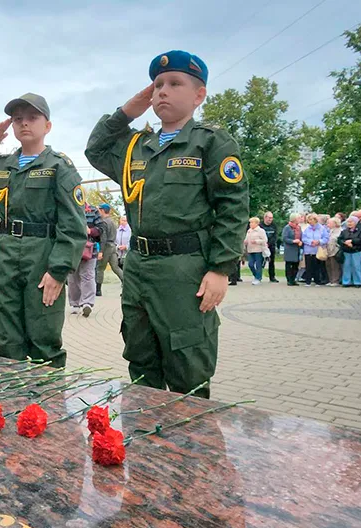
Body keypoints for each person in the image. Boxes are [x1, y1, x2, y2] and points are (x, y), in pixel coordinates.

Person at [86, 50, 248, 398]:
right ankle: (146, 444)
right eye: (158, 84)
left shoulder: (210, 141)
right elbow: (96, 149)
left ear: (199, 95)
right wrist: (128, 110)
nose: (162, 91)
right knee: (141, 361)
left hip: (184, 270)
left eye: (175, 83)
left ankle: (194, 448)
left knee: (188, 366)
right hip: (139, 269)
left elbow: (233, 207)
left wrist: (220, 268)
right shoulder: (135, 147)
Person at [0, 93, 86, 367]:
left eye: (32, 118)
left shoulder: (59, 167)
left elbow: (73, 224)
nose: (24, 124)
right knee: (7, 339)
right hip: (6, 251)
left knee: (44, 337)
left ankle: (47, 406)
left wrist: (59, 270)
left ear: (47, 125)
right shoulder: (1, 167)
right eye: (18, 119)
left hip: (42, 254)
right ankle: (13, 406)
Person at [68, 213, 99, 316]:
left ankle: (87, 303)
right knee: (72, 277)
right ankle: (75, 304)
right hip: (72, 249)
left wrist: (90, 231)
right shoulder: (69, 207)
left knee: (88, 276)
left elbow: (101, 230)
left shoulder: (94, 212)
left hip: (90, 250)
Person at [95, 203, 123, 296]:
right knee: (115, 268)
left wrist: (100, 251)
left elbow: (103, 238)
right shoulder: (112, 222)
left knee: (100, 268)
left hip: (106, 246)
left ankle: (98, 290)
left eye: (99, 210)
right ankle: (127, 284)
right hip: (113, 246)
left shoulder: (103, 222)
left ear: (102, 210)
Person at [301, 213, 329, 286]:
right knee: (308, 266)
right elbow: (303, 238)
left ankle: (317, 281)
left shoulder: (322, 229)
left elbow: (326, 238)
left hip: (318, 250)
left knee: (317, 266)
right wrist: (310, 242)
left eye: (310, 220)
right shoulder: (307, 229)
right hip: (308, 250)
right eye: (308, 220)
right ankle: (308, 281)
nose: (309, 221)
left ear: (315, 220)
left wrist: (319, 241)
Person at [338, 216, 361, 287]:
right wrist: (345, 242)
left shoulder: (360, 231)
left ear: (355, 222)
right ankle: (346, 282)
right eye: (348, 222)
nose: (349, 223)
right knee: (346, 267)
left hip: (356, 251)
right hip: (346, 251)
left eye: (351, 222)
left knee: (356, 267)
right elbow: (339, 240)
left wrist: (352, 241)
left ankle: (357, 282)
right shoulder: (344, 231)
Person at [243, 217, 268, 285]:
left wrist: (256, 241)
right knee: (250, 264)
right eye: (250, 222)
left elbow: (265, 240)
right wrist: (244, 242)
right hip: (250, 250)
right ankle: (256, 275)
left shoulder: (261, 231)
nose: (250, 224)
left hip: (258, 250)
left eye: (252, 222)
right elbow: (246, 239)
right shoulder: (249, 231)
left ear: (256, 223)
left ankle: (258, 278)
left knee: (258, 265)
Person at [282, 213, 302, 286]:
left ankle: (293, 279)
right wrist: (293, 241)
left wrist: (300, 241)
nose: (300, 220)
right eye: (298, 218)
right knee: (289, 265)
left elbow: (301, 236)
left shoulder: (299, 228)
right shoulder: (287, 227)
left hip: (297, 249)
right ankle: (289, 280)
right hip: (289, 249)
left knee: (296, 265)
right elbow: (284, 238)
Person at [261, 211, 279, 282]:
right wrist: (264, 243)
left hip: (271, 246)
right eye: (269, 218)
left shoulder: (274, 226)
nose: (270, 219)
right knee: (261, 262)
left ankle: (272, 277)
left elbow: (275, 236)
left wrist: (269, 243)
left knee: (271, 262)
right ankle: (258, 276)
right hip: (262, 246)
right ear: (265, 217)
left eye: (271, 218)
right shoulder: (260, 225)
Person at [325, 217, 342, 286]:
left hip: (335, 251)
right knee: (329, 266)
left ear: (335, 223)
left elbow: (337, 240)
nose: (327, 224)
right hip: (328, 251)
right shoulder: (329, 230)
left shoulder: (340, 230)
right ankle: (331, 280)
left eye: (329, 223)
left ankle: (335, 280)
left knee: (335, 266)